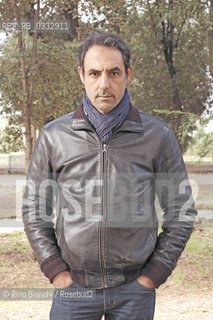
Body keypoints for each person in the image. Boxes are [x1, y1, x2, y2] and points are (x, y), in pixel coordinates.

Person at [22, 32, 197, 320]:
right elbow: (34, 208)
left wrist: (154, 274)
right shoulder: (54, 136)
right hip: (73, 289)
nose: (104, 84)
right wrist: (54, 269)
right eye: (94, 73)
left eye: (113, 73)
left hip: (135, 290)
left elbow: (182, 209)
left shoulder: (157, 136)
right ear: (82, 75)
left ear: (128, 74)